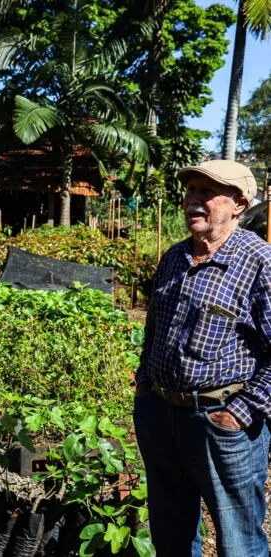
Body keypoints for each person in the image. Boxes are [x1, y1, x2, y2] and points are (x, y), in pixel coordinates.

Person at [134, 160, 271, 556]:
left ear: (239, 204)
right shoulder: (175, 257)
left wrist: (241, 411)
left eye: (206, 193)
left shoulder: (260, 262)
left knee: (238, 539)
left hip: (222, 422)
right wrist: (146, 386)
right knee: (171, 533)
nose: (193, 200)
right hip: (161, 415)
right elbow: (154, 329)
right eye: (191, 190)